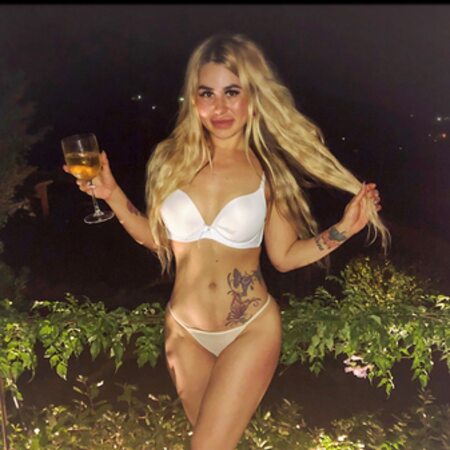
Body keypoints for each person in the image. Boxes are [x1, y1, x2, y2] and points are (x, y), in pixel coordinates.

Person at [65, 33, 389, 450]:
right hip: (184, 332)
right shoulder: (169, 160)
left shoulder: (269, 171)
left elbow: (285, 257)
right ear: (194, 100)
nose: (219, 107)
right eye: (208, 94)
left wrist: (345, 227)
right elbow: (158, 241)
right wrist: (111, 195)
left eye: (232, 92)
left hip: (249, 329)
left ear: (252, 96)